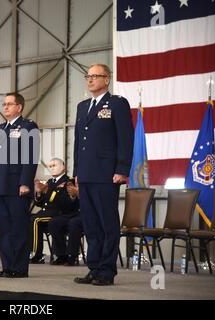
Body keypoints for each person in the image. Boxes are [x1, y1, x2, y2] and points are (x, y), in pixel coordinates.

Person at [73, 63, 134, 286]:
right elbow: (78, 143)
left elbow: (125, 139)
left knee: (107, 224)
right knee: (90, 224)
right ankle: (94, 267)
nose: (90, 80)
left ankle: (107, 271)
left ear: (106, 79)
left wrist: (122, 169)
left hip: (107, 174)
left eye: (95, 76)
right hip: (87, 174)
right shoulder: (82, 107)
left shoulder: (117, 104)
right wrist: (76, 172)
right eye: (88, 76)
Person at [0, 92, 39, 278]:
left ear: (19, 107)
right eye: (4, 104)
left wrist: (25, 182)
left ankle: (19, 268)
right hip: (1, 186)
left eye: (10, 104)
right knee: (5, 229)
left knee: (18, 228)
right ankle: (7, 265)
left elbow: (30, 157)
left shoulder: (28, 126)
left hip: (17, 185)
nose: (6, 107)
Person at [29, 158, 73, 264]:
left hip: (59, 212)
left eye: (54, 165)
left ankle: (36, 254)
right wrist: (39, 193)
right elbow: (40, 203)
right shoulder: (49, 182)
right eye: (50, 166)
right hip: (46, 212)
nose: (52, 168)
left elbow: (67, 203)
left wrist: (50, 191)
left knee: (35, 220)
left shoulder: (68, 181)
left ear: (63, 166)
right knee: (29, 219)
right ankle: (30, 252)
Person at [48, 180, 82, 266]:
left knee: (74, 223)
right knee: (54, 223)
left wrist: (78, 193)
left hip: (86, 214)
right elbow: (66, 205)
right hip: (72, 213)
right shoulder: (70, 183)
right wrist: (72, 196)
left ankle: (72, 256)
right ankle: (61, 255)